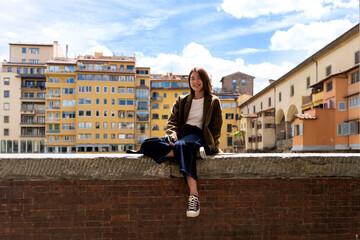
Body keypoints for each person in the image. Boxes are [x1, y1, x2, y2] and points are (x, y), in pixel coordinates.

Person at [140, 67, 223, 217]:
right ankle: (194, 152)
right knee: (146, 144)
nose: (195, 82)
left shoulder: (213, 101)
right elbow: (172, 122)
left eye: (198, 78)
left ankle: (194, 195)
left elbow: (216, 127)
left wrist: (211, 146)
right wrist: (172, 135)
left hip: (199, 135)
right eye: (192, 78)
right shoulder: (182, 100)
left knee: (182, 145)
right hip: (181, 136)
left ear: (205, 80)